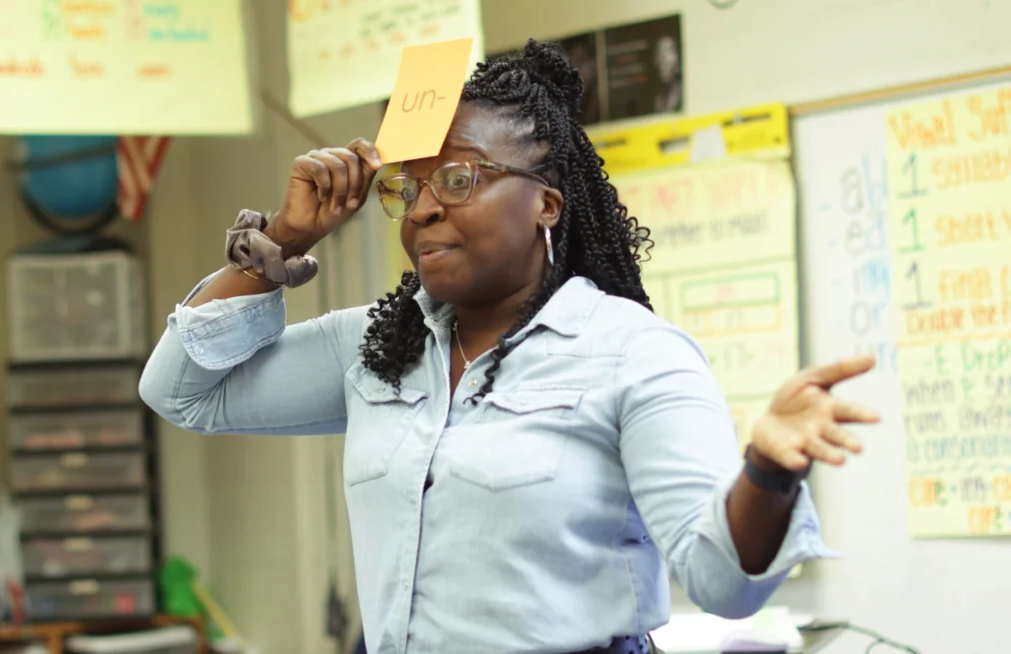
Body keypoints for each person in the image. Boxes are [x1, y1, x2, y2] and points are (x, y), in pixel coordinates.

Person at [140, 40, 879, 654]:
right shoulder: (373, 346)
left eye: (459, 178)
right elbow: (180, 392)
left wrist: (767, 473)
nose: (425, 207)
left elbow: (725, 584)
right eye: (410, 186)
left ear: (546, 203)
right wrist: (280, 242)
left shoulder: (632, 353)